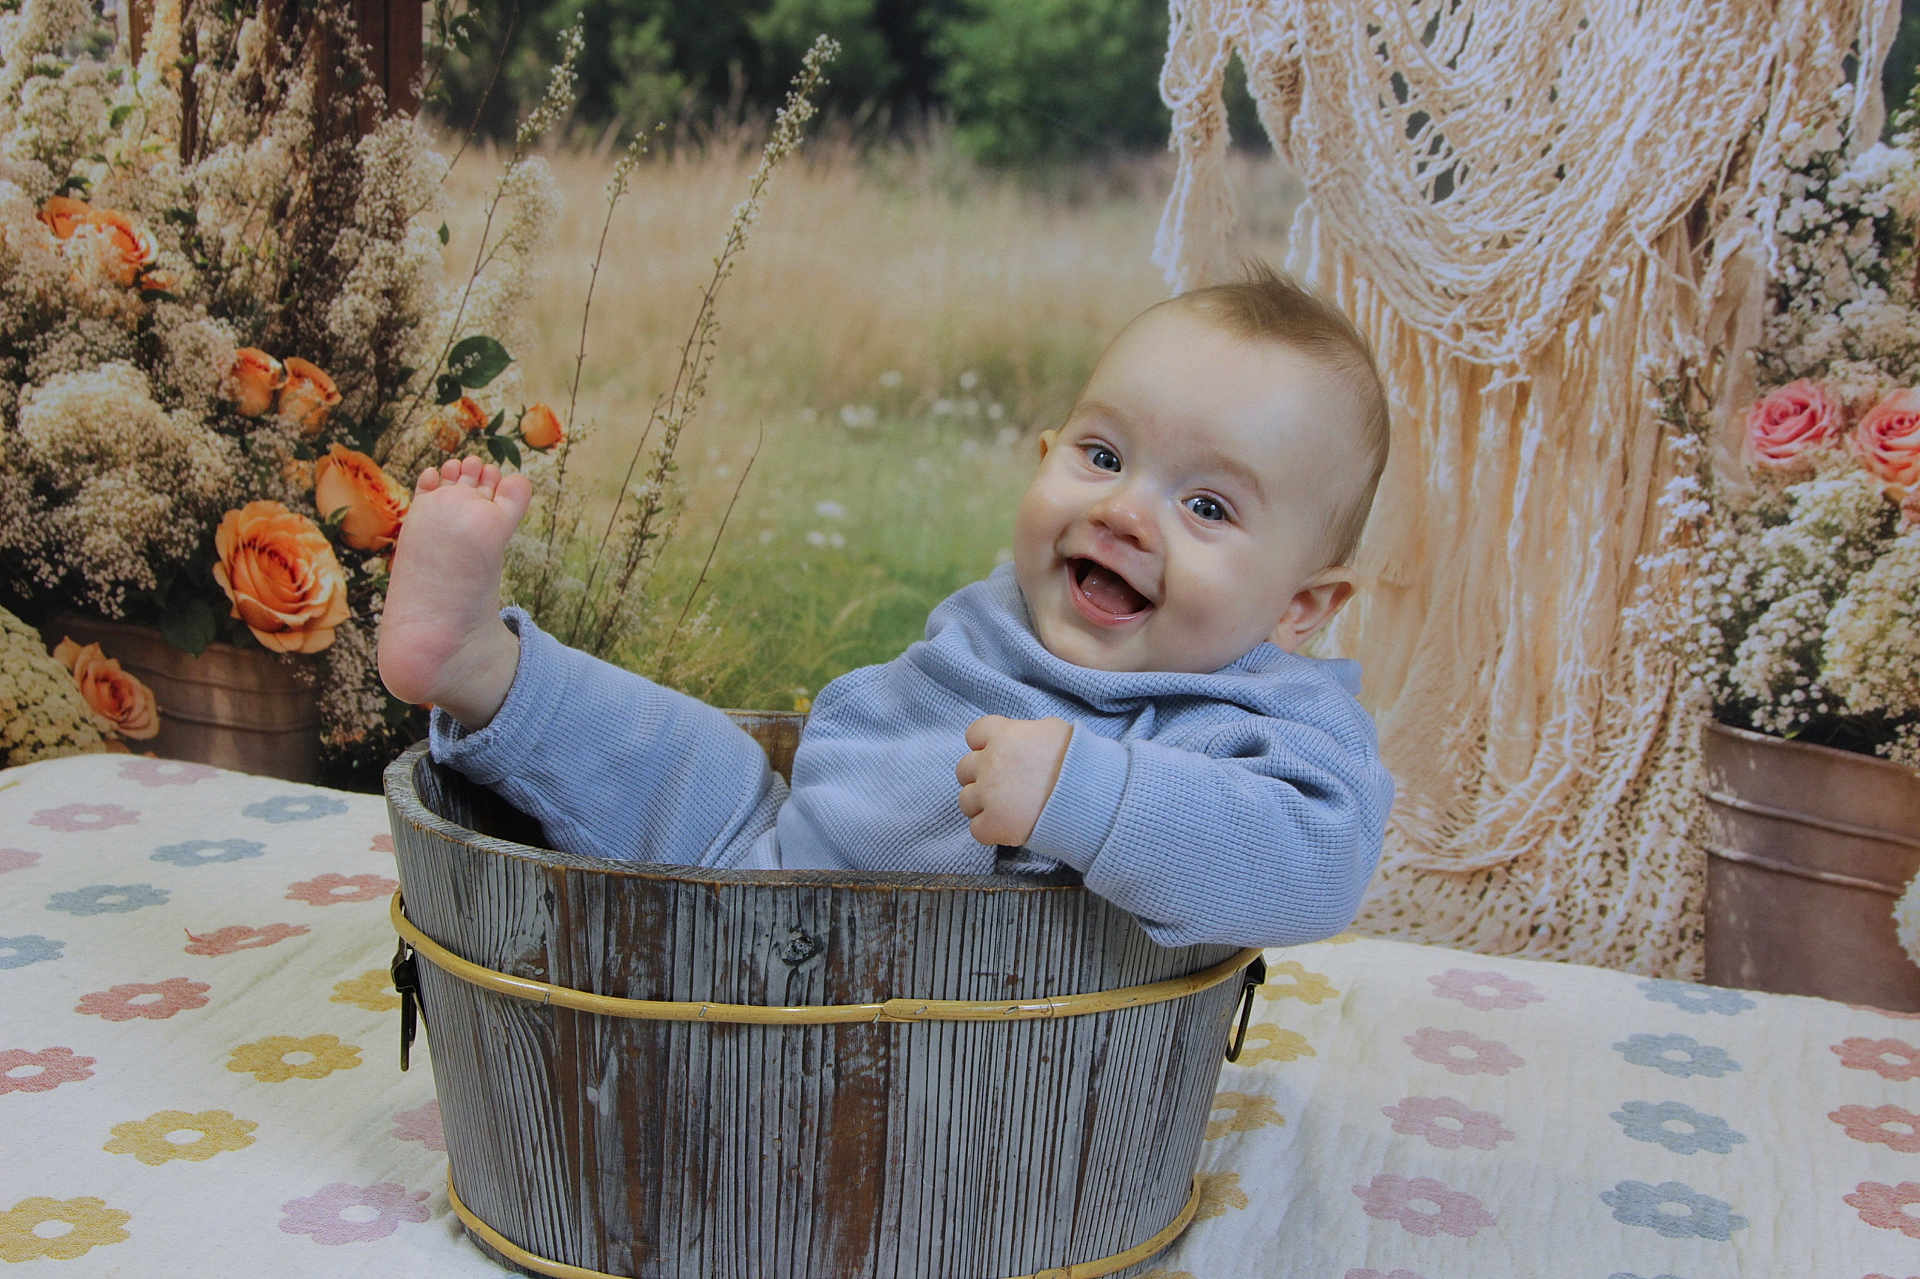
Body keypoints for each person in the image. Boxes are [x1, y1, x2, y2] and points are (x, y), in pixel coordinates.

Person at [377, 264, 1395, 948]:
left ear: (1299, 608)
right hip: (778, 859)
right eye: (1103, 455)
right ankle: (482, 667)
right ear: (1044, 458)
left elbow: (1313, 864)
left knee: (707, 839)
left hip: (943, 998)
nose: (1125, 510)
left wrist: (1093, 794)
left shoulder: (1265, 716)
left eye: (1207, 505)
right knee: (672, 756)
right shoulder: (1023, 600)